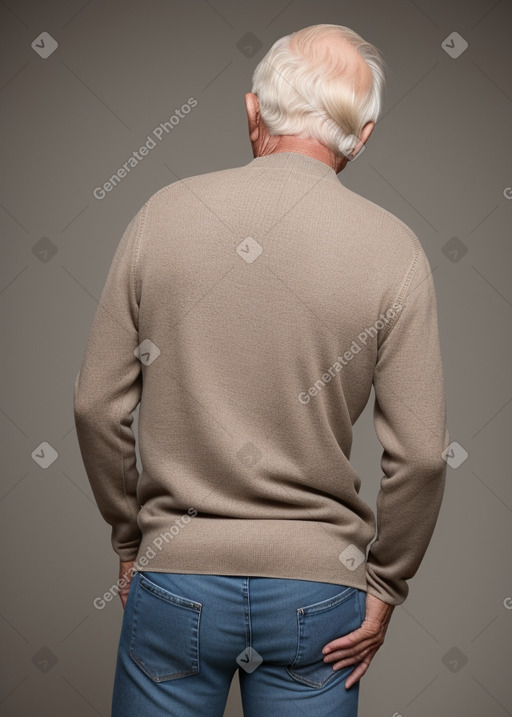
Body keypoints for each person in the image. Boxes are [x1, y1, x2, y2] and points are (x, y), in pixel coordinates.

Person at [74, 22, 450, 717]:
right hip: (319, 590)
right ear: (362, 136)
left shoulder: (163, 215)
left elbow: (97, 407)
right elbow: (423, 457)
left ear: (253, 111)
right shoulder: (395, 250)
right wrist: (386, 584)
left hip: (177, 574)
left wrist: (132, 540)